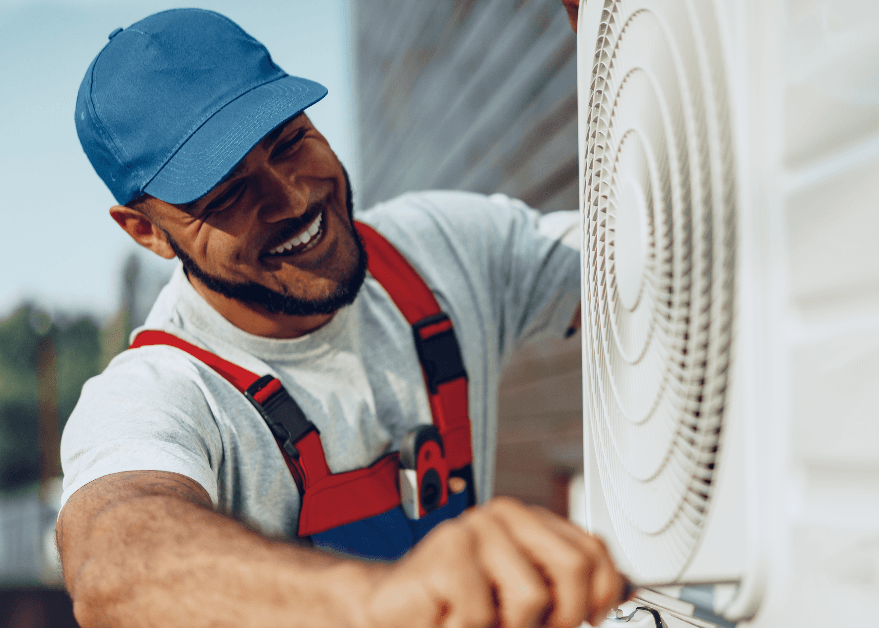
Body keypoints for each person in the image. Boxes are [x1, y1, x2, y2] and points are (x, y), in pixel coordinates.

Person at [55, 4, 622, 628]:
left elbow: (661, 263)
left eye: (290, 141)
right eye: (228, 193)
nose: (294, 196)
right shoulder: (160, 394)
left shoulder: (444, 250)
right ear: (148, 231)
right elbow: (113, 564)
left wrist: (616, 38)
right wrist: (383, 600)